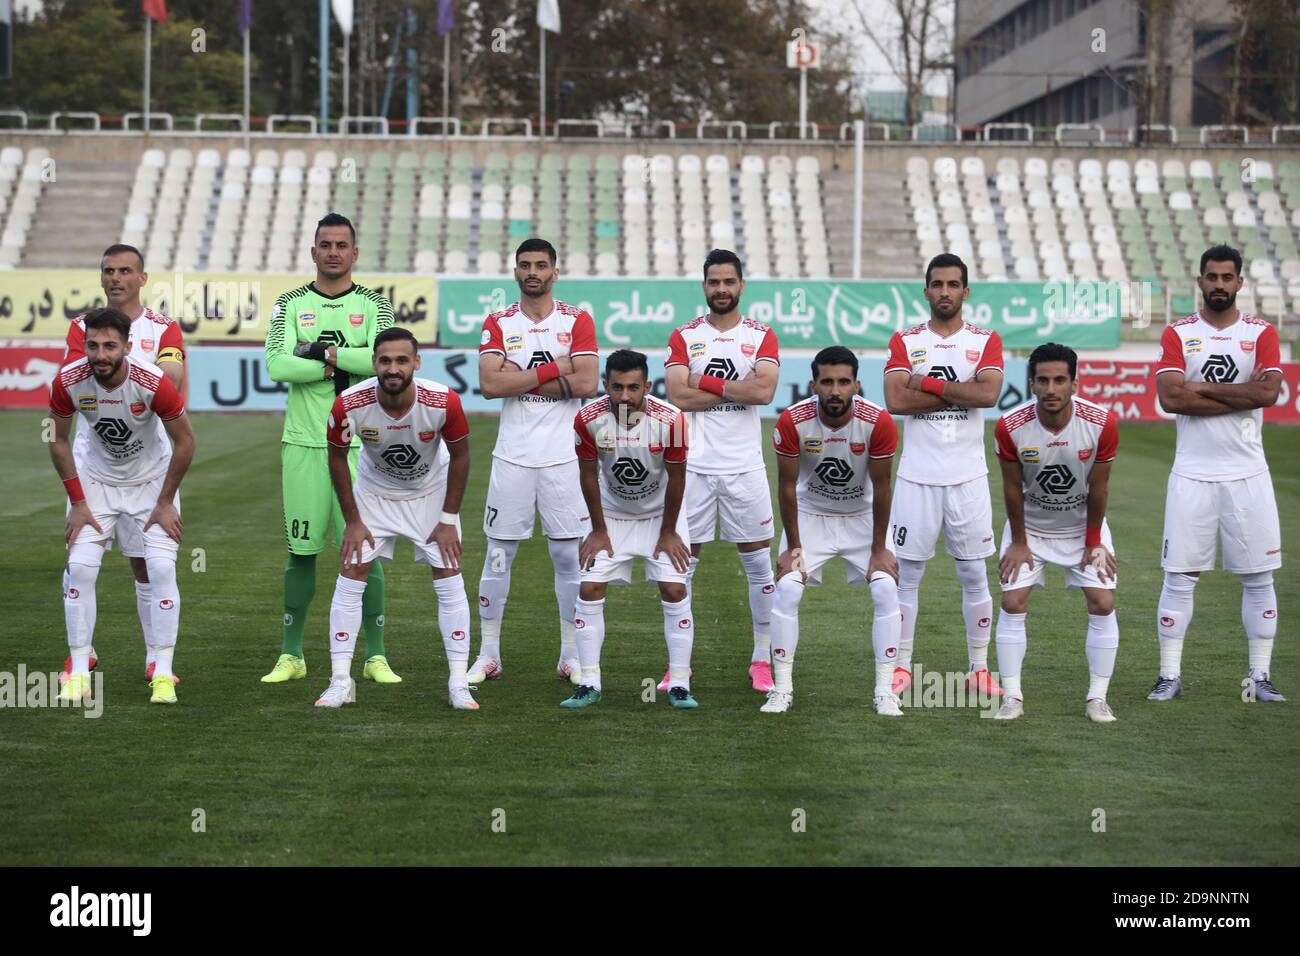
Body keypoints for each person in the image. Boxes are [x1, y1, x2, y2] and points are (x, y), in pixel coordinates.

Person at [261, 213, 399, 686]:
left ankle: (375, 656)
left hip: (364, 446)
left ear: (355, 252)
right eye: (326, 244)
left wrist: (318, 352)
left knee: (366, 551)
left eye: (342, 244)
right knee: (301, 552)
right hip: (304, 443)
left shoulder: (375, 306)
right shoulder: (291, 303)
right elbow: (278, 366)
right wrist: (342, 366)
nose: (334, 251)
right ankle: (292, 654)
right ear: (313, 251)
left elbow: (385, 362)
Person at [1149, 244, 1285, 703]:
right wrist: (1239, 392)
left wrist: (1202, 385)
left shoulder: (1261, 332)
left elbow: (1268, 394)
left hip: (1248, 474)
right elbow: (1171, 399)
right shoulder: (1178, 332)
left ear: (1239, 283)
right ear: (1201, 281)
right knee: (1180, 576)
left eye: (1228, 277)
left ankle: (1259, 678)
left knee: (1259, 577)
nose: (1220, 285)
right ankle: (1170, 675)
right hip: (1192, 475)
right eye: (1212, 277)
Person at [315, 328, 477, 710]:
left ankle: (458, 682)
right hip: (374, 495)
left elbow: (463, 456)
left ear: (416, 363)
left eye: (402, 360)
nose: (393, 368)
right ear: (374, 364)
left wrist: (448, 518)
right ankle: (340, 681)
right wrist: (352, 520)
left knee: (449, 573)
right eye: (385, 360)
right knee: (352, 571)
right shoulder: (348, 403)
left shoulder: (444, 401)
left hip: (430, 494)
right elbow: (336, 458)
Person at [467, 238, 599, 685]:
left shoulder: (577, 319)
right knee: (498, 555)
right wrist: (551, 370)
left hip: (565, 458)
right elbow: (488, 384)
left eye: (541, 265)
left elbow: (586, 382)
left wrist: (517, 379)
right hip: (514, 457)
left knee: (568, 556)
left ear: (555, 272)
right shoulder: (499, 321)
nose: (533, 272)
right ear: (516, 271)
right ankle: (488, 655)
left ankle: (570, 655)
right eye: (525, 265)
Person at [48, 308, 195, 705]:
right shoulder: (67, 381)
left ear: (128, 347)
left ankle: (162, 673)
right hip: (97, 480)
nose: (100, 354)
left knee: (161, 567)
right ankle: (78, 672)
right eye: (93, 345)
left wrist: (165, 502)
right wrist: (78, 502)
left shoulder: (153, 382)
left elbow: (186, 441)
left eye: (110, 346)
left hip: (150, 481)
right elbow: (57, 439)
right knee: (79, 566)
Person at [883, 252, 1004, 699]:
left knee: (974, 574)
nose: (945, 292)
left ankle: (978, 668)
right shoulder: (906, 340)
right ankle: (900, 666)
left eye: (954, 285)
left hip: (967, 478)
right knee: (906, 577)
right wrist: (960, 393)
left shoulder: (985, 340)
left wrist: (928, 384)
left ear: (965, 292)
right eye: (937, 284)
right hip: (917, 477)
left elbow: (988, 394)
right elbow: (895, 401)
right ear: (927, 290)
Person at [664, 249, 780, 693]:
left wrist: (705, 383)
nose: (721, 289)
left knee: (758, 567)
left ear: (741, 286)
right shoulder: (685, 336)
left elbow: (764, 391)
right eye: (714, 282)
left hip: (743, 468)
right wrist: (738, 389)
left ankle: (761, 661)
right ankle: (679, 667)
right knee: (681, 567)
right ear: (704, 286)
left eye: (729, 282)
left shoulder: (761, 336)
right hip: (692, 468)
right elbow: (677, 394)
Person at [768, 347, 902, 715]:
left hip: (862, 518)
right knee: (787, 590)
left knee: (887, 588)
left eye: (844, 382)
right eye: (827, 382)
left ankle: (884, 690)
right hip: (811, 517)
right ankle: (781, 689)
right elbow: (786, 487)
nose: (835, 390)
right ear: (813, 385)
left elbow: (883, 487)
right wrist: (794, 547)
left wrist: (879, 548)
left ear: (858, 385)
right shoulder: (791, 421)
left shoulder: (879, 422)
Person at [992, 343, 1121, 722]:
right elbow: (1012, 488)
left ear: (1075, 384)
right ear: (1031, 383)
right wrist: (1018, 542)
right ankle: (1012, 696)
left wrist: (1094, 543)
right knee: (1013, 602)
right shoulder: (1011, 427)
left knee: (1103, 602)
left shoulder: (1101, 423)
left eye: (1060, 380)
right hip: (1030, 528)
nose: (1051, 389)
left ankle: (1097, 698)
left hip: (1082, 528)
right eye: (1043, 380)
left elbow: (1099, 488)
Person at [567, 349, 696, 709]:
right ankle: (589, 682)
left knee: (673, 589)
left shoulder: (671, 420)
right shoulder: (587, 419)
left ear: (648, 387)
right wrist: (597, 529)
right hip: (611, 516)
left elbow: (678, 477)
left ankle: (680, 683)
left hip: (661, 516)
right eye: (617, 387)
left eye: (633, 388)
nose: (625, 396)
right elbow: (587, 475)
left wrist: (669, 532)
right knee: (590, 587)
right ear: (605, 385)